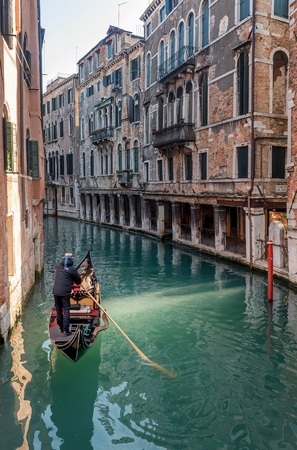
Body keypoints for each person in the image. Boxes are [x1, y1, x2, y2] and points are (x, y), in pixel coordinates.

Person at [52, 253, 81, 335]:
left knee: (58, 309)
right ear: (71, 259)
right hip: (65, 292)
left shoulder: (57, 266)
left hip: (56, 291)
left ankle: (61, 327)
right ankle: (66, 330)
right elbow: (78, 281)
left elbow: (55, 268)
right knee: (66, 309)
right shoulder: (72, 269)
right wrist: (72, 279)